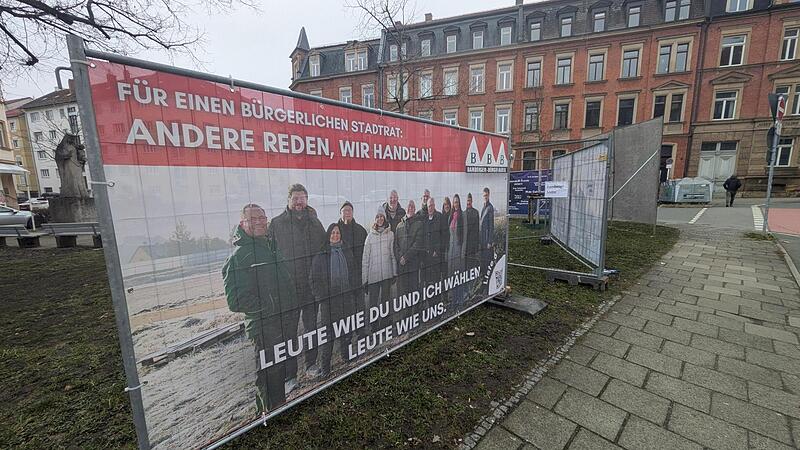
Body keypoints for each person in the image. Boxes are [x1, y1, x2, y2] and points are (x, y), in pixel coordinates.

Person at [222, 204, 296, 412]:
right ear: (242, 223)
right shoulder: (239, 256)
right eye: (253, 219)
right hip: (263, 326)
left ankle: (279, 410)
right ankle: (266, 416)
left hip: (282, 320)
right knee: (267, 374)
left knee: (278, 371)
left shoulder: (270, 246)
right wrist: (270, 306)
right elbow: (235, 300)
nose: (260, 222)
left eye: (262, 218)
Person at [267, 183, 327, 387]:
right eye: (295, 198)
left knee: (311, 327)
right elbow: (269, 257)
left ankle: (310, 365)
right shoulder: (276, 224)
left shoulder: (315, 223)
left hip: (311, 288)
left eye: (302, 198)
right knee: (288, 333)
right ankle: (289, 376)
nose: (299, 202)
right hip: (288, 290)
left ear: (307, 200)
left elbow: (323, 251)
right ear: (288, 200)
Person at [310, 224, 357, 377]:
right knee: (328, 335)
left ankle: (346, 356)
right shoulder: (321, 255)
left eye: (338, 233)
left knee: (346, 329)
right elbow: (313, 280)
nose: (335, 235)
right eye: (332, 233)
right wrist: (321, 297)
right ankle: (325, 368)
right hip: (328, 302)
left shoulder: (347, 251)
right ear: (328, 235)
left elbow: (354, 271)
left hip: (345, 298)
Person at [362, 207, 397, 333]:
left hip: (387, 273)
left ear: (385, 218)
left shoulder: (390, 234)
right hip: (373, 275)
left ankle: (385, 322)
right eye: (377, 217)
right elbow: (365, 259)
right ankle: (374, 325)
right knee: (373, 302)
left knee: (385, 300)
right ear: (375, 219)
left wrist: (394, 272)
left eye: (381, 216)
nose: (380, 218)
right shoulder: (370, 236)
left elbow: (392, 254)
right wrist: (364, 279)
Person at [394, 200, 423, 302]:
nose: (410, 208)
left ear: (415, 209)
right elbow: (396, 245)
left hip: (413, 265)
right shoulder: (399, 226)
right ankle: (404, 316)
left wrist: (405, 257)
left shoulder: (419, 224)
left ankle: (415, 314)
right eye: (408, 206)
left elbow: (418, 244)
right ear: (405, 209)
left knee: (414, 292)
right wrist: (400, 257)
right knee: (403, 293)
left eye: (412, 206)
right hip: (402, 267)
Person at [421, 197, 448, 291]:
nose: (430, 208)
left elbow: (444, 236)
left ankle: (437, 302)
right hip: (426, 257)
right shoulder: (425, 219)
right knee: (428, 281)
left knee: (436, 281)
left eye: (432, 205)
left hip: (437, 256)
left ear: (434, 205)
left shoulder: (440, 217)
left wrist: (437, 250)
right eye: (429, 206)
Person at [448, 194, 468, 308]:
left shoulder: (462, 215)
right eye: (454, 202)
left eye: (457, 202)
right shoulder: (451, 216)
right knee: (452, 276)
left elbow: (465, 235)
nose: (455, 204)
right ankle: (453, 300)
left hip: (459, 249)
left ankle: (459, 300)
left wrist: (463, 252)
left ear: (459, 203)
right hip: (451, 250)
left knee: (459, 275)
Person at [479, 187, 495, 277]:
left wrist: (490, 241)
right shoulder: (483, 207)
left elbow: (491, 225)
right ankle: (482, 276)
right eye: (484, 195)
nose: (485, 197)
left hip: (486, 239)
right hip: (482, 239)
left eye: (486, 195)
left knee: (486, 259)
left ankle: (486, 277)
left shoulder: (490, 207)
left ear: (489, 195)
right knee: (482, 258)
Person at [465, 193, 481, 272]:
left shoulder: (476, 212)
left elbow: (477, 230)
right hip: (465, 245)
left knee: (472, 264)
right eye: (467, 200)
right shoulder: (463, 213)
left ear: (472, 201)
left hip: (473, 244)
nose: (468, 202)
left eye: (470, 201)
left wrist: (477, 245)